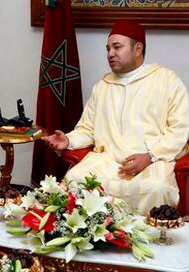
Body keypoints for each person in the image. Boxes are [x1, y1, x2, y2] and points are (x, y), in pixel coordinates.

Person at [42, 21, 189, 215]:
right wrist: (68, 140)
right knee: (74, 180)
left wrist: (150, 156)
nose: (110, 53)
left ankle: (149, 241)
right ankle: (90, 238)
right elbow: (87, 129)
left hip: (151, 159)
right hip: (108, 159)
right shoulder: (102, 86)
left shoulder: (167, 81)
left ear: (138, 48)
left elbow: (179, 129)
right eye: (108, 48)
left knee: (156, 188)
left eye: (117, 47)